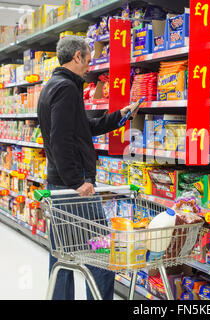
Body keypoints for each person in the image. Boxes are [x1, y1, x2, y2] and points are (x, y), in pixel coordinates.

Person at [37, 35, 136, 300]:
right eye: (88, 59)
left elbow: (82, 128)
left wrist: (118, 117)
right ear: (77, 57)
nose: (90, 66)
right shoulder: (67, 89)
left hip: (58, 186)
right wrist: (78, 182)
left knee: (62, 255)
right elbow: (60, 139)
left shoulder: (53, 86)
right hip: (74, 190)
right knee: (103, 254)